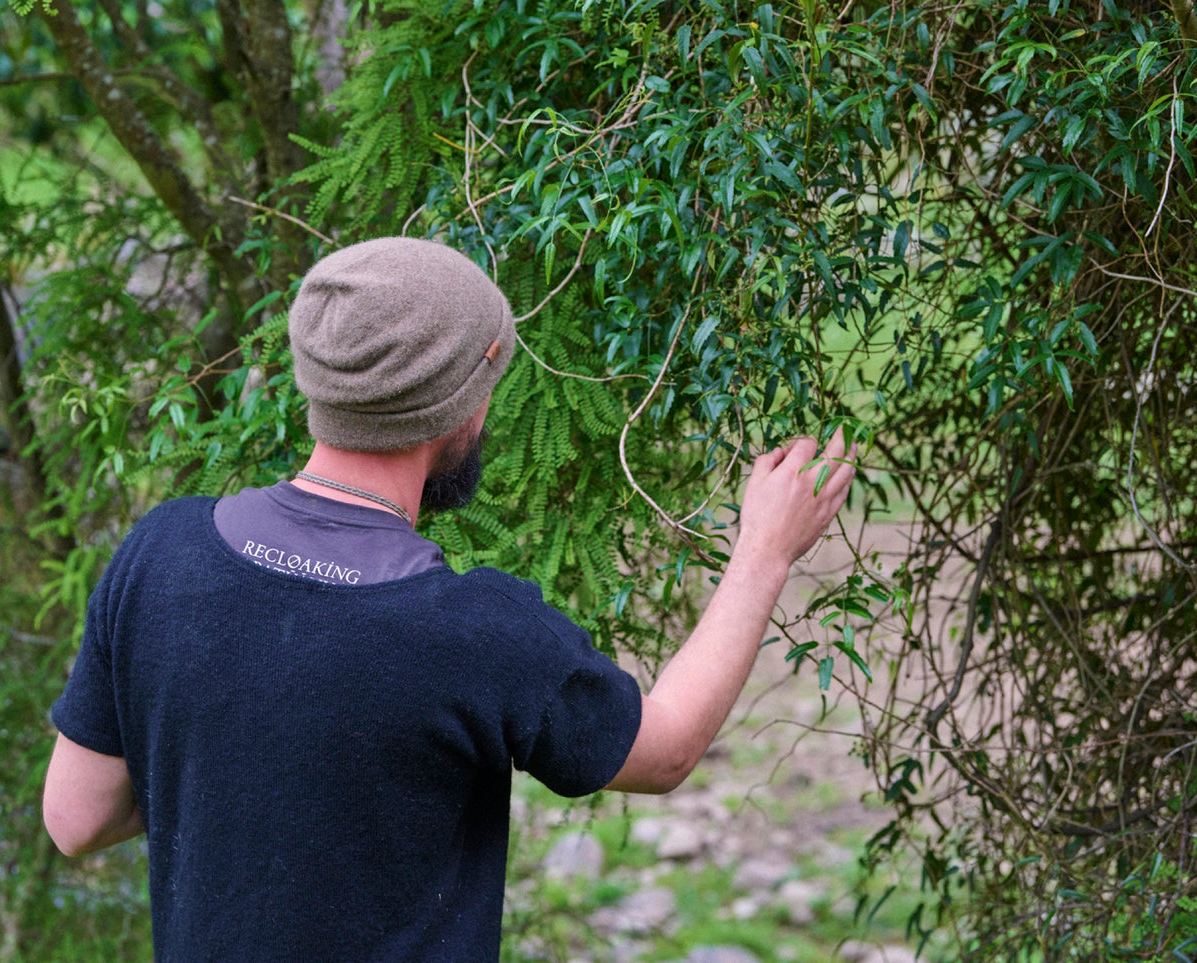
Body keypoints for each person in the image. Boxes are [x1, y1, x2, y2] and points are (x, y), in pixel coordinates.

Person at [42, 237, 855, 961]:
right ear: (465, 399)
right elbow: (667, 747)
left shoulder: (163, 549)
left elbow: (76, 818)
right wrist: (763, 552)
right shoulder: (471, 629)